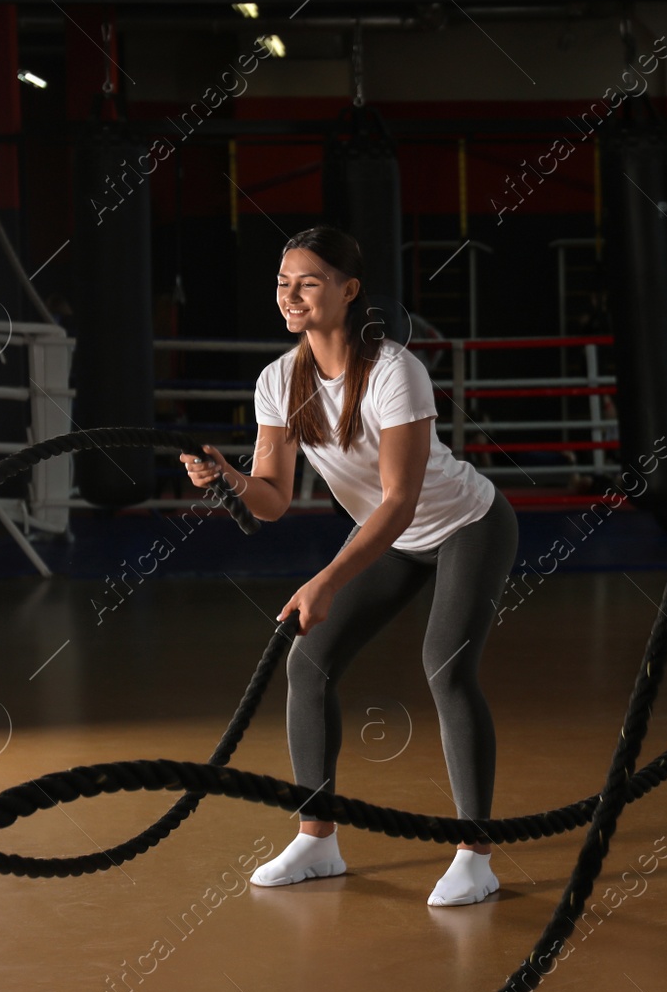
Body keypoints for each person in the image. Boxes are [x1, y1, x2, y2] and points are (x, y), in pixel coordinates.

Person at [182, 225, 517, 907]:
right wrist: (229, 478)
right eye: (283, 282)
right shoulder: (278, 381)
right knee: (309, 661)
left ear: (348, 289)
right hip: (391, 539)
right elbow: (273, 498)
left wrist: (327, 579)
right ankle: (318, 839)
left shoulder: (396, 371)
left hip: (466, 526)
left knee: (446, 667)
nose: (291, 296)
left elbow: (398, 502)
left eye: (308, 282)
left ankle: (476, 854)